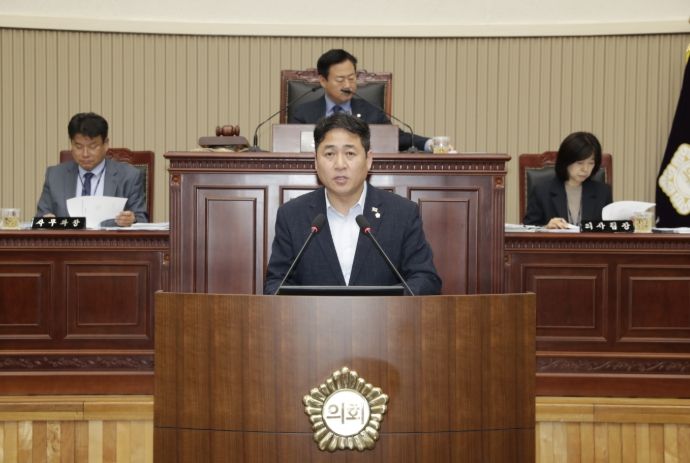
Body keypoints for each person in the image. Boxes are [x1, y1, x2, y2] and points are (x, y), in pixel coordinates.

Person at [264, 113, 442, 295]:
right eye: (329, 154)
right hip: (314, 315)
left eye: (350, 153)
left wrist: (386, 306)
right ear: (316, 162)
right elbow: (275, 285)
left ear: (369, 160)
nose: (340, 164)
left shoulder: (402, 214)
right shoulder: (292, 215)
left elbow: (425, 279)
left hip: (385, 314)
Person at [289, 49, 431, 152]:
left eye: (351, 78)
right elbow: (290, 145)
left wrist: (429, 143)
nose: (347, 85)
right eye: (340, 79)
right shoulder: (303, 114)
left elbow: (396, 138)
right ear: (323, 81)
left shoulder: (372, 111)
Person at [36, 112, 148, 227]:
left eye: (92, 146)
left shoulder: (129, 176)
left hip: (110, 238)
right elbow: (40, 219)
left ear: (106, 144)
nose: (85, 154)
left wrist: (132, 220)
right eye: (78, 147)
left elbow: (142, 220)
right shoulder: (54, 176)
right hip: (68, 238)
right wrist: (45, 221)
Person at [523, 131, 612, 229]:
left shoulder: (603, 192)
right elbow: (528, 229)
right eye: (580, 163)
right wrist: (545, 228)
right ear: (566, 161)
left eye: (591, 163)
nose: (585, 169)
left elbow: (610, 229)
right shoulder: (542, 191)